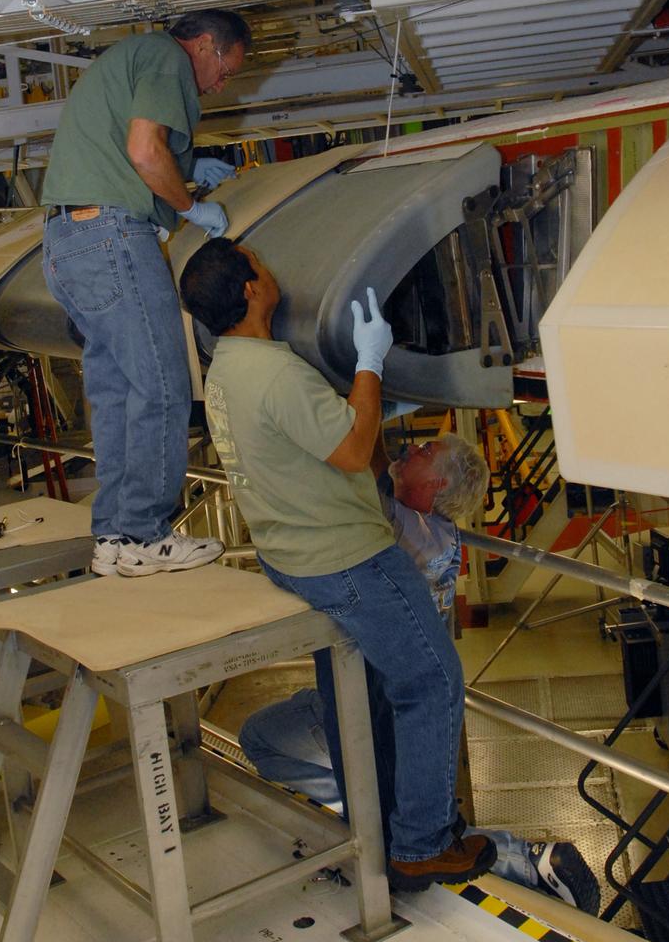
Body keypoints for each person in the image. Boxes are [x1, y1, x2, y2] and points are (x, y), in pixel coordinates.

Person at [179, 236, 497, 892]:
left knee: (362, 692)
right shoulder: (275, 373)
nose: (272, 272)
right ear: (249, 290)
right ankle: (420, 843)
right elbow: (353, 451)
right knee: (432, 683)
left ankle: (374, 827)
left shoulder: (228, 367)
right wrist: (369, 365)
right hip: (348, 559)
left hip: (289, 553)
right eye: (262, 266)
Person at [239, 430, 601, 916]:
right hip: (374, 692)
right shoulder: (432, 531)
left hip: (370, 696)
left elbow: (361, 465)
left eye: (425, 451)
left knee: (269, 744)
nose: (411, 448)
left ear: (434, 486)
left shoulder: (397, 528)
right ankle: (381, 819)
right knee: (275, 743)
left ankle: (511, 858)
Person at [41, 10, 252, 579]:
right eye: (224, 71)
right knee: (163, 384)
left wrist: (182, 174)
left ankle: (113, 536)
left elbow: (131, 156)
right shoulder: (165, 55)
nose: (217, 85)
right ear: (205, 45)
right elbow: (143, 151)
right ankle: (144, 534)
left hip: (67, 240)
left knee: (116, 392)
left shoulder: (127, 62)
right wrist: (188, 204)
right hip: (110, 236)